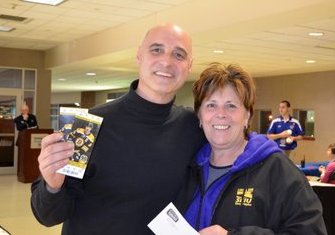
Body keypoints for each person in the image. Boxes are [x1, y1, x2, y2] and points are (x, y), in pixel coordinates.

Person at [31, 24, 205, 235]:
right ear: (139, 55)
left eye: (179, 54)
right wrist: (52, 186)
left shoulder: (192, 127)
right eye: (156, 49)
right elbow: (48, 216)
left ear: (189, 65)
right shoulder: (88, 125)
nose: (167, 61)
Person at [176, 63, 326, 234]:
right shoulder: (188, 168)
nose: (221, 114)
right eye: (211, 105)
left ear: (247, 116)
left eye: (231, 105)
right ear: (200, 116)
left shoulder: (277, 170)